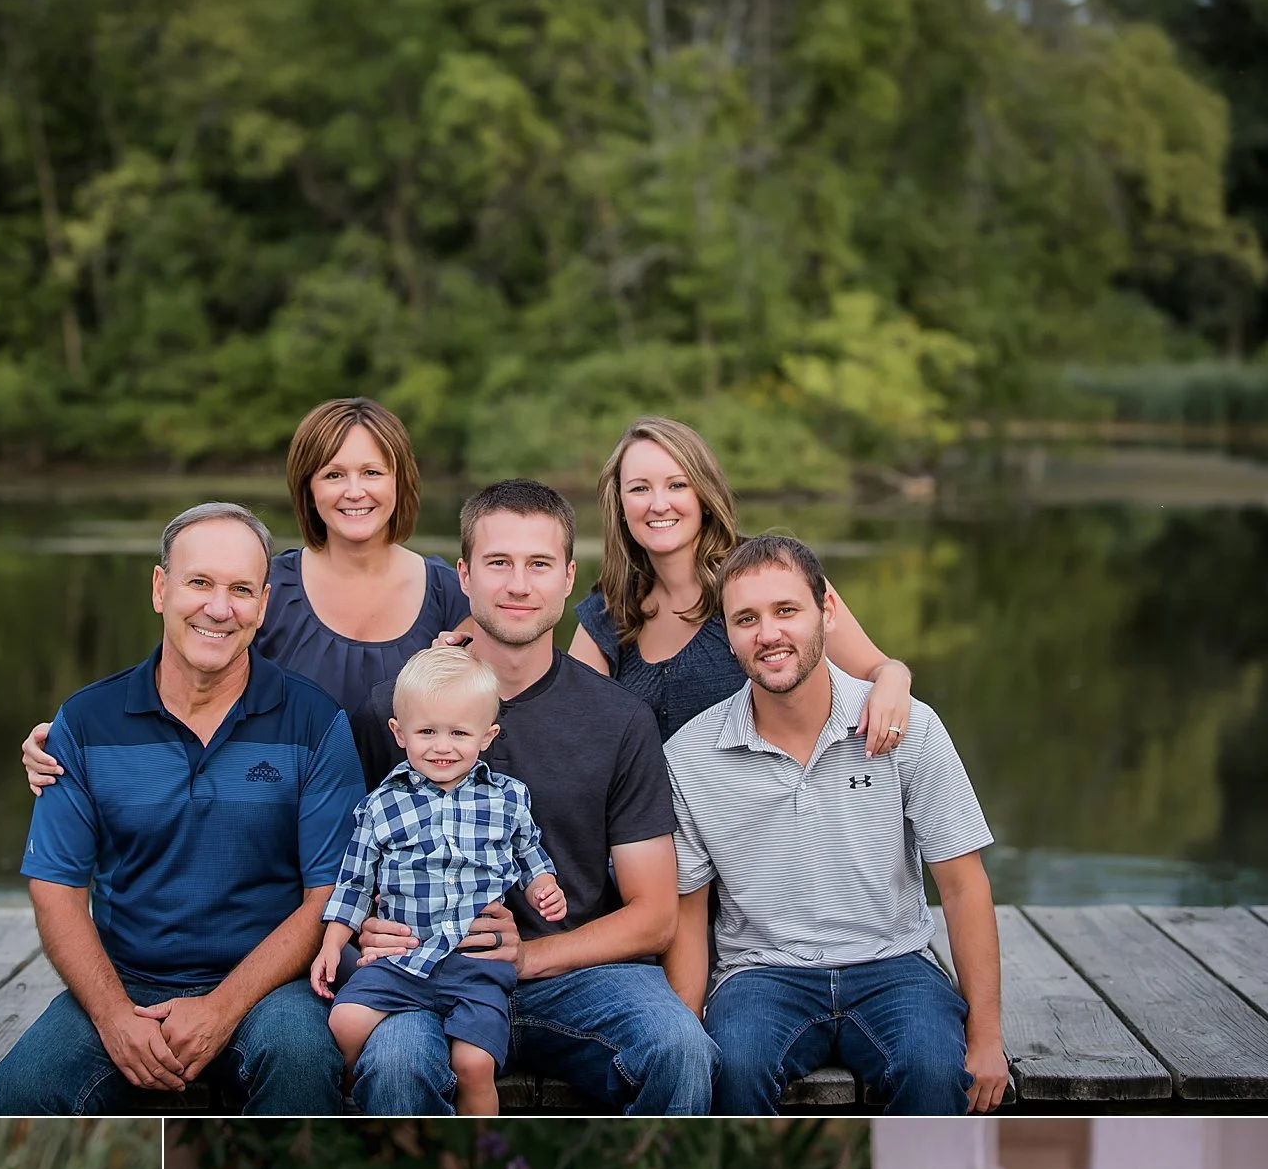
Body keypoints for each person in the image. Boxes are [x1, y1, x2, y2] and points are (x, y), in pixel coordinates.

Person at [346, 480, 718, 1116]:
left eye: (539, 564)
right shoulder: (395, 711)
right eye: (498, 563)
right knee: (395, 1064)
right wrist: (362, 940)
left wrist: (529, 957)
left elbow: (654, 913)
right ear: (463, 574)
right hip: (424, 970)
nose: (518, 585)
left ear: (569, 577)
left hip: (574, 974)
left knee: (681, 1050)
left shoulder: (618, 720)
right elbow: (342, 872)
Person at [0, 503, 365, 1114]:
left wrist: (222, 1007)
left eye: (241, 590)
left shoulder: (314, 721)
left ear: (264, 606)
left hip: (270, 985)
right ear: (161, 588)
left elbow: (329, 897)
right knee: (22, 1092)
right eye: (200, 583)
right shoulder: (86, 721)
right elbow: (56, 888)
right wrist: (111, 1015)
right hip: (129, 980)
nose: (219, 608)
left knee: (299, 1064)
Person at [664, 531, 1010, 1114]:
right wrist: (686, 1031)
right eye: (746, 618)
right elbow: (689, 910)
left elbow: (963, 884)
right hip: (760, 973)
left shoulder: (908, 727)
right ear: (727, 635)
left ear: (826, 611)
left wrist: (988, 1036)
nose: (768, 633)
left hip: (893, 965)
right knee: (734, 1069)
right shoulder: (690, 755)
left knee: (932, 1070)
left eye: (787, 611)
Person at [18, 396, 470, 790]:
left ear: (400, 481)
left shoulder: (454, 596)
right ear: (308, 487)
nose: (354, 491)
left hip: (415, 862)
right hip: (283, 852)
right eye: (333, 474)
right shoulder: (260, 590)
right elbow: (175, 688)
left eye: (372, 472)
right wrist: (71, 740)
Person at [313, 646, 567, 1116]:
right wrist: (333, 944)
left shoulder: (507, 800)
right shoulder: (381, 807)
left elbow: (529, 853)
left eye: (459, 733)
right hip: (402, 960)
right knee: (345, 1023)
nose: (442, 746)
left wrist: (543, 886)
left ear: (487, 736)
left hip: (475, 965)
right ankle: (349, 1100)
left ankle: (480, 1153)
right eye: (427, 731)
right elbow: (354, 882)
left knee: (474, 1063)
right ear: (398, 732)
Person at [570, 417, 913, 750]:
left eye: (677, 485)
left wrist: (895, 681)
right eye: (640, 489)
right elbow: (574, 727)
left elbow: (878, 669)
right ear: (620, 504)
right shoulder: (609, 610)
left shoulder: (773, 574)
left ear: (703, 495)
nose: (659, 505)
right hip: (645, 809)